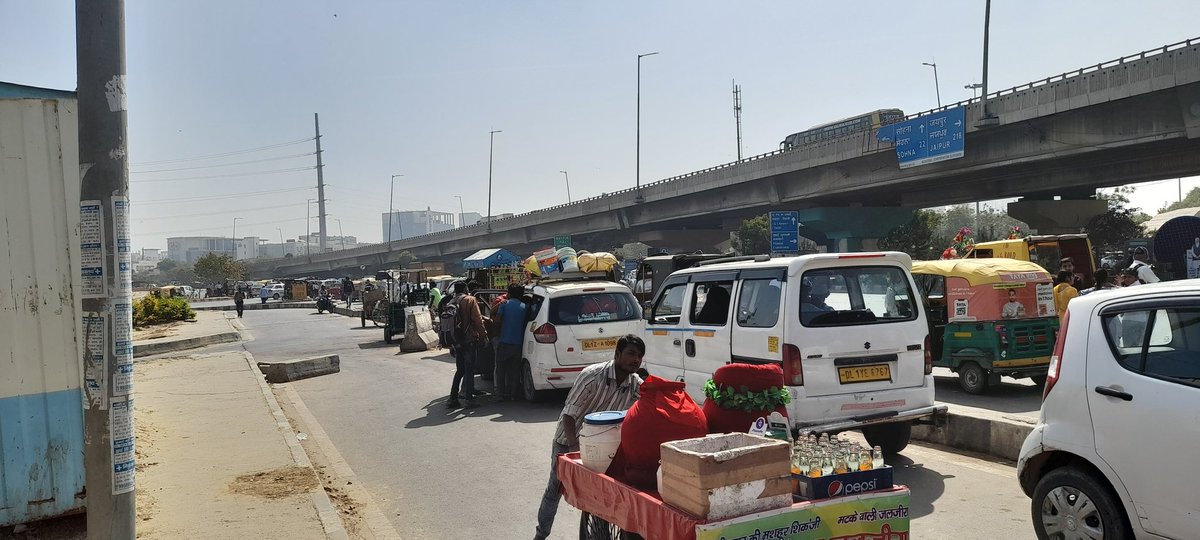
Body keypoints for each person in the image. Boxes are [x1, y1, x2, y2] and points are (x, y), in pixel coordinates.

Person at [534, 334, 645, 540]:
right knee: (555, 488)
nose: (636, 360)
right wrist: (575, 451)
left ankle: (597, 532)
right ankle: (541, 535)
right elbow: (569, 414)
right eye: (630, 354)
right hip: (569, 440)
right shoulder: (593, 375)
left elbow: (647, 409)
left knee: (607, 493)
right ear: (617, 354)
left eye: (639, 356)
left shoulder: (636, 384)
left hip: (606, 447)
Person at [448, 281, 487, 409]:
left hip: (456, 340)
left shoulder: (451, 302)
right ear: (465, 288)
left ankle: (452, 398)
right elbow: (477, 320)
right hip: (469, 339)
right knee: (469, 370)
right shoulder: (470, 300)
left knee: (460, 370)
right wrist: (483, 336)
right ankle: (469, 399)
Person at [493, 284, 526, 401]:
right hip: (518, 343)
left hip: (504, 341)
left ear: (509, 293)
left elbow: (496, 321)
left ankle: (500, 395)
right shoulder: (524, 306)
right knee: (515, 370)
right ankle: (513, 394)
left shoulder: (504, 305)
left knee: (501, 370)